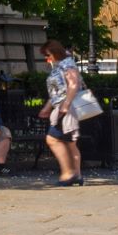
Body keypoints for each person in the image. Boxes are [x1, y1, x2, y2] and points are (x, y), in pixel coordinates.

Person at [42, 39, 87, 187]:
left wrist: (66, 105)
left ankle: (68, 173)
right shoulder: (60, 65)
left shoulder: (66, 64)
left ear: (55, 53)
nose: (46, 59)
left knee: (53, 139)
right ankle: (77, 174)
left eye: (48, 55)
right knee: (70, 143)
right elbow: (57, 91)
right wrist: (48, 107)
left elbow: (74, 84)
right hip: (63, 107)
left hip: (66, 108)